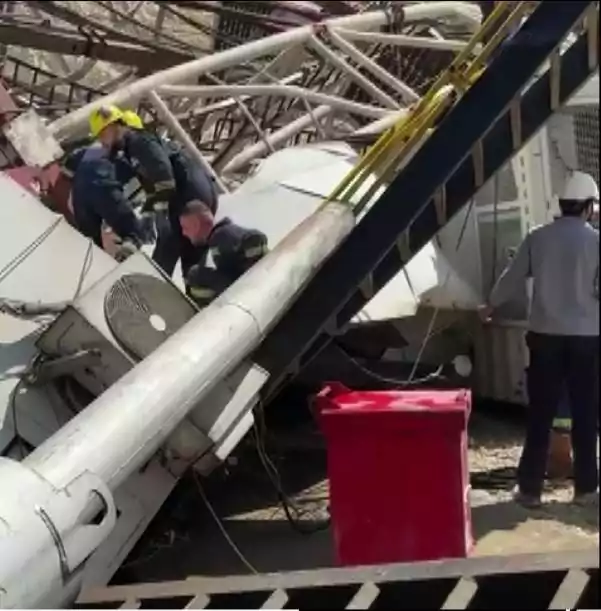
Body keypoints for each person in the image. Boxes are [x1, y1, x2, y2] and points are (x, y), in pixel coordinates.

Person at [479, 170, 599, 508]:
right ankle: (587, 489)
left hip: (545, 337)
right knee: (586, 413)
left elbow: (511, 277)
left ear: (561, 204)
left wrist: (490, 304)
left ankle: (530, 490)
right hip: (587, 339)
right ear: (589, 206)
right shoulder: (597, 241)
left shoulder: (538, 237)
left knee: (541, 414)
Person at [117, 109, 219, 278]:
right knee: (190, 251)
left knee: (167, 248)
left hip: (187, 198)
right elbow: (154, 185)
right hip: (201, 193)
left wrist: (160, 214)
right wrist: (149, 214)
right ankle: (198, 295)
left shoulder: (139, 143)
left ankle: (153, 295)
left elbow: (164, 178)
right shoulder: (154, 146)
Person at [71, 106, 145, 260]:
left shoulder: (90, 149)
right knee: (134, 233)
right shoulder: (128, 148)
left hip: (80, 192)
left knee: (90, 242)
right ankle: (127, 251)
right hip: (104, 186)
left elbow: (68, 166)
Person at [178, 200, 268, 308]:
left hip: (252, 295)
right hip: (260, 285)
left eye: (185, 227)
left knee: (195, 275)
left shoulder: (220, 238)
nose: (184, 233)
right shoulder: (226, 234)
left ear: (196, 225)